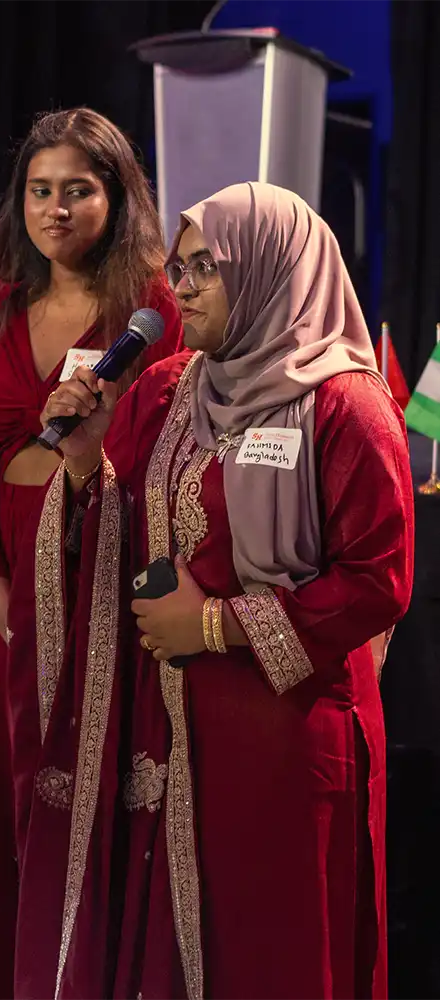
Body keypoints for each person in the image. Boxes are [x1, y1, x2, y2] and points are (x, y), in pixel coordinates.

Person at [20, 181, 414, 1000]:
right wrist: (89, 458)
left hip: (287, 739)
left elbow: (377, 583)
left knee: (274, 955)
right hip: (169, 734)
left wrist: (215, 623)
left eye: (206, 267)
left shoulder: (344, 403)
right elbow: (117, 526)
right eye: (178, 267)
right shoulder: (166, 390)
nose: (182, 288)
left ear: (272, 271)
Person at [0, 107, 183, 999]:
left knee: (96, 790)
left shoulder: (154, 309)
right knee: (4, 803)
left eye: (76, 191)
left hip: (107, 578)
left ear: (117, 197)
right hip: (8, 591)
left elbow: (177, 449)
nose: (55, 209)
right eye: (39, 191)